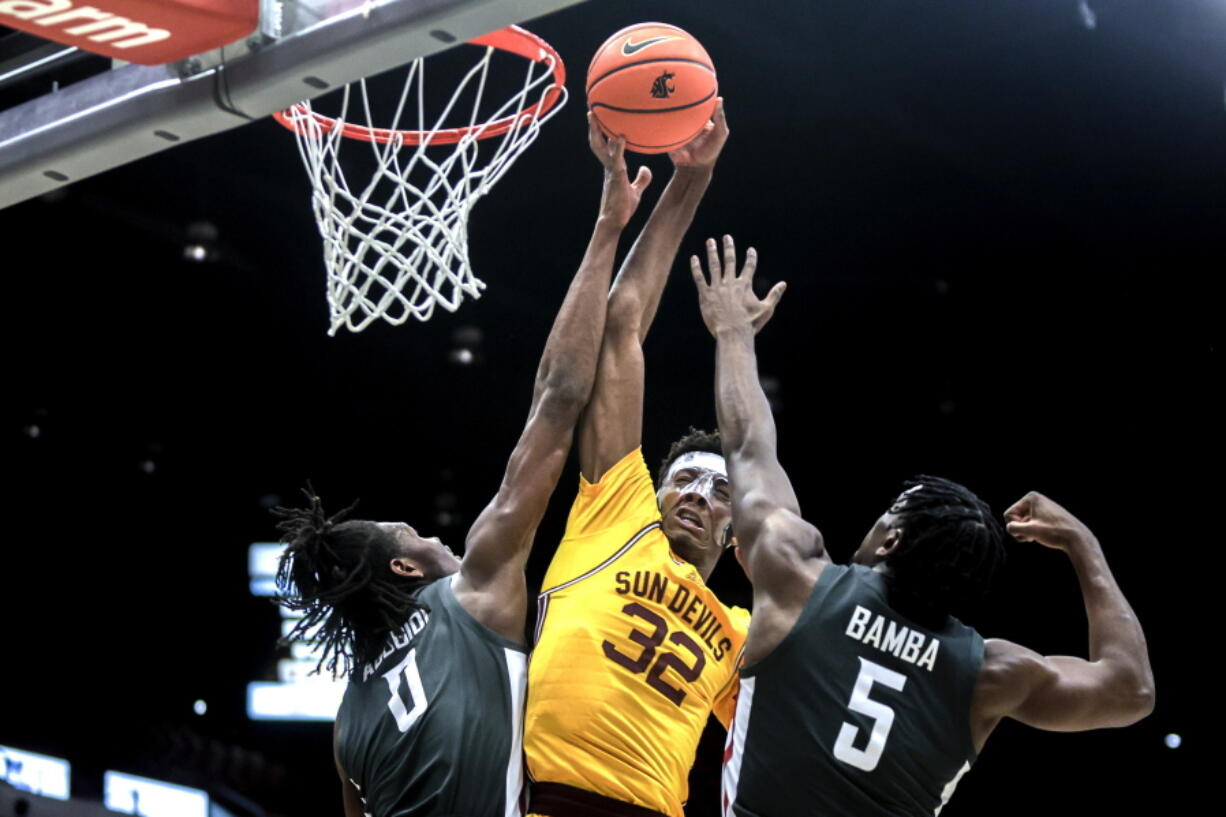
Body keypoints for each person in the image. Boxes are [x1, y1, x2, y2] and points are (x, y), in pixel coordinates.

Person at [689, 236, 1156, 817]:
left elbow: (747, 445)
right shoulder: (992, 671)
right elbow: (1131, 690)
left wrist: (734, 335)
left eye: (885, 516)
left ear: (891, 540)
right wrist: (1083, 544)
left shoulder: (796, 576)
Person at [271, 119, 654, 817]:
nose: (435, 538)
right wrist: (606, 228)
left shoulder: (348, 724)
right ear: (406, 570)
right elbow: (559, 397)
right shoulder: (473, 589)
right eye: (413, 533)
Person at [524, 100, 752, 817]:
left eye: (718, 492)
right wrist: (691, 179)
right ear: (652, 491)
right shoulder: (617, 515)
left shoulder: (742, 630)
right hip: (545, 798)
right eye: (682, 477)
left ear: (735, 530)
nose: (694, 493)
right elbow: (623, 323)